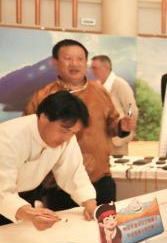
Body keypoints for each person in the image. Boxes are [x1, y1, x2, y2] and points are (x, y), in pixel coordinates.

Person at [25, 39, 134, 209]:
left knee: (106, 223)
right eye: (68, 58)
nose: (75, 64)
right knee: (64, 225)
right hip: (57, 184)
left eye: (80, 59)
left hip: (99, 178)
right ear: (55, 62)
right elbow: (30, 134)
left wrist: (121, 127)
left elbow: (112, 124)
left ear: (86, 62)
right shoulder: (43, 96)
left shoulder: (99, 91)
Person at [0, 91, 97, 229]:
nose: (67, 138)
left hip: (23, 199)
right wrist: (29, 213)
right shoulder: (7, 138)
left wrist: (89, 203)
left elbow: (73, 172)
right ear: (44, 117)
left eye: (73, 132)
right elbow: (3, 191)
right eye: (64, 130)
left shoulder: (68, 138)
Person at [91, 54, 139, 155]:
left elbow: (131, 108)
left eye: (95, 68)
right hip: (100, 139)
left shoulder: (120, 84)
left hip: (117, 140)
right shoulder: (96, 85)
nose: (92, 71)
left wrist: (127, 126)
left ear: (106, 68)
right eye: (92, 68)